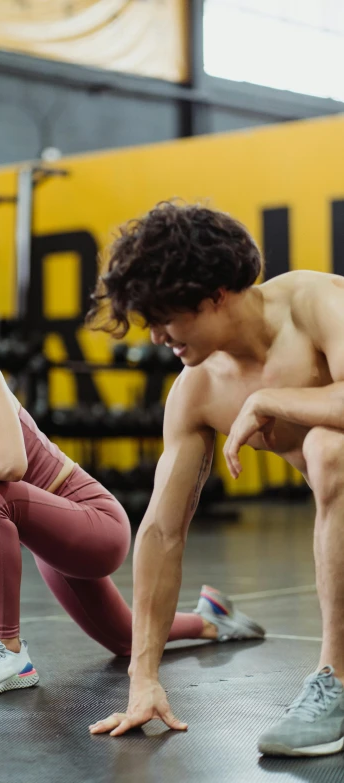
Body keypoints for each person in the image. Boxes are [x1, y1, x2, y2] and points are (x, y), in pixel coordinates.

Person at [0, 301, 263, 697]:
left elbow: (11, 463)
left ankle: (8, 651)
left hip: (95, 521)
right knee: (124, 639)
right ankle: (211, 619)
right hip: (50, 545)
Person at [86, 200, 344, 757]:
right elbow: (161, 531)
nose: (156, 336)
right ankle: (336, 684)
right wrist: (144, 678)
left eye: (165, 318)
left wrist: (273, 399)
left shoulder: (317, 303)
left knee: (329, 448)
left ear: (215, 296)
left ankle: (335, 681)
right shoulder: (197, 390)